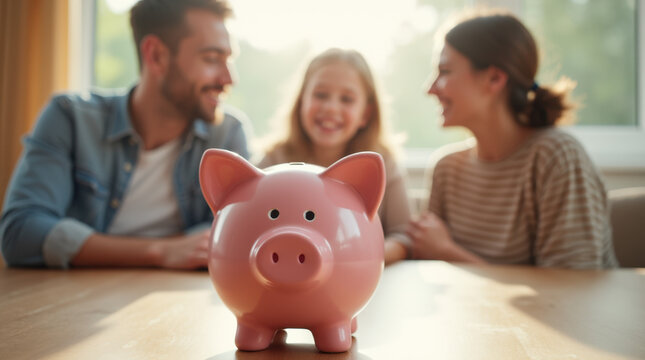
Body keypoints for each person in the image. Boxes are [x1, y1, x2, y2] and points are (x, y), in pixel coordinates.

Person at [0, 0, 250, 269]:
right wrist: (159, 252)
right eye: (212, 59)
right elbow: (21, 232)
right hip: (68, 299)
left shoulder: (227, 135)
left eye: (229, 60)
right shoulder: (70, 118)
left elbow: (239, 232)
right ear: (156, 56)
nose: (229, 79)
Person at [408, 11, 618, 269]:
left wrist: (447, 252)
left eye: (444, 71)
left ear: (494, 78)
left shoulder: (556, 157)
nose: (430, 88)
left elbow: (569, 291)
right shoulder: (446, 169)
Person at [257, 48, 412, 265]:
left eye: (347, 99)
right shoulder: (274, 160)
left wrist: (354, 259)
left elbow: (403, 237)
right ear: (302, 101)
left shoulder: (383, 164)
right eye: (320, 95)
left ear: (365, 114)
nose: (331, 108)